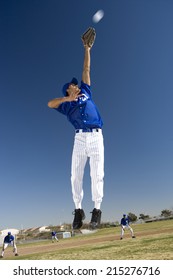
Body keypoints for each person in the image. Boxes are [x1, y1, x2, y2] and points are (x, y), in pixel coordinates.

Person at [48, 33, 104, 230]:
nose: (76, 85)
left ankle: (96, 210)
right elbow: (49, 104)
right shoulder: (65, 105)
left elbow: (86, 69)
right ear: (68, 90)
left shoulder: (86, 92)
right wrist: (66, 100)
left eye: (76, 84)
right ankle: (78, 210)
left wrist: (87, 50)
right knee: (75, 175)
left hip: (96, 136)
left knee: (97, 173)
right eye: (73, 85)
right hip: (80, 138)